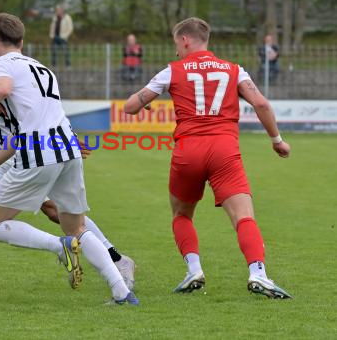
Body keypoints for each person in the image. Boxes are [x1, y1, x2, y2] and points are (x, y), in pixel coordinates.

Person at [0, 14, 138, 305]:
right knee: (75, 226)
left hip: (30, 151)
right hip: (58, 147)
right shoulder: (40, 67)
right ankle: (121, 290)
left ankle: (68, 248)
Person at [124, 17, 292, 299]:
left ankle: (194, 270)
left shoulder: (172, 70)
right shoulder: (234, 70)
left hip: (188, 151)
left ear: (186, 40)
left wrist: (144, 104)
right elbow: (261, 103)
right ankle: (259, 273)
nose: (177, 50)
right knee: (243, 217)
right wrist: (277, 141)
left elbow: (131, 106)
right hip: (224, 149)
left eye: (177, 43)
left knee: (181, 214)